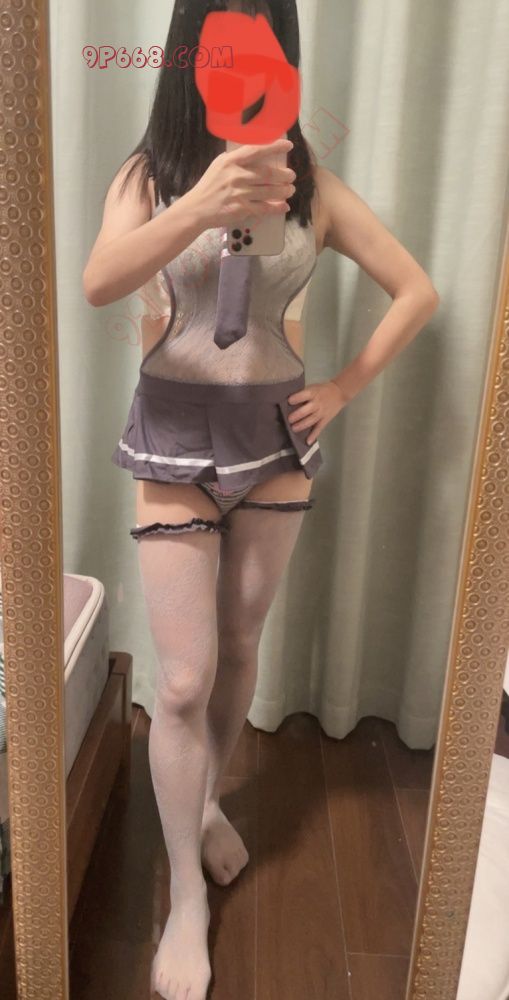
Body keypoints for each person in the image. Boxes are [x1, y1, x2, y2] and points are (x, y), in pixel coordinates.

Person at [83, 2, 439, 998]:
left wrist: (343, 388)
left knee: (240, 647)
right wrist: (197, 204)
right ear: (189, 55)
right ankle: (184, 901)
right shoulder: (148, 173)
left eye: (267, 42)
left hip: (273, 442)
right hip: (171, 435)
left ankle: (201, 804)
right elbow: (100, 282)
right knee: (183, 680)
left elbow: (415, 289)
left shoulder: (309, 183)